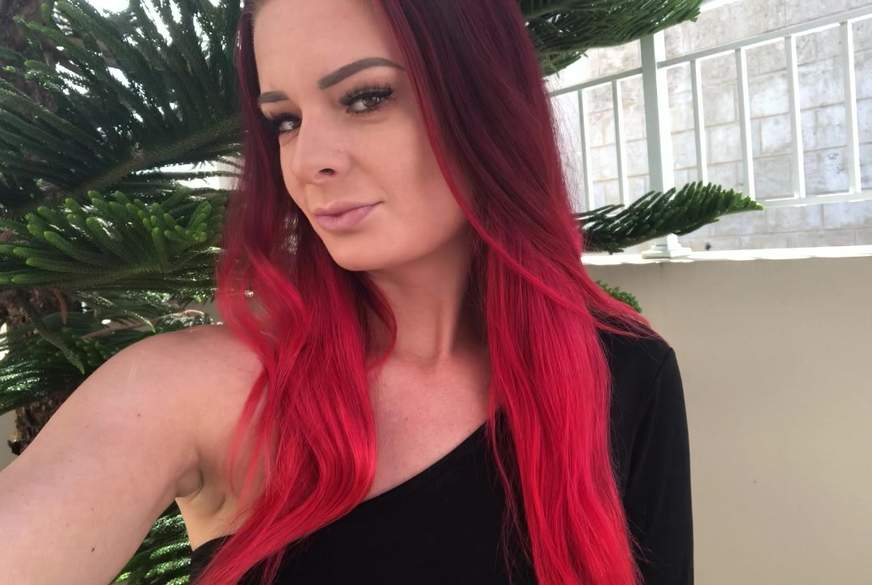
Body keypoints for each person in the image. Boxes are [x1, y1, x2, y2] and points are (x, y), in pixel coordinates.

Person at [0, 1, 693, 584]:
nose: (309, 162)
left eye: (366, 98)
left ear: (486, 101)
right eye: (285, 120)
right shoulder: (192, 390)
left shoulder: (626, 372)